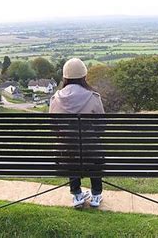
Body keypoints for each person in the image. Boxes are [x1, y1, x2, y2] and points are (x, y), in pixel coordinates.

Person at [49, 58, 104, 208]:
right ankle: (96, 194)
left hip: (66, 156)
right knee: (93, 149)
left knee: (68, 148)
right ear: (84, 77)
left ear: (64, 77)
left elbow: (54, 128)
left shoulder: (55, 99)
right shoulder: (93, 97)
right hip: (91, 155)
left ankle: (77, 194)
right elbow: (101, 127)